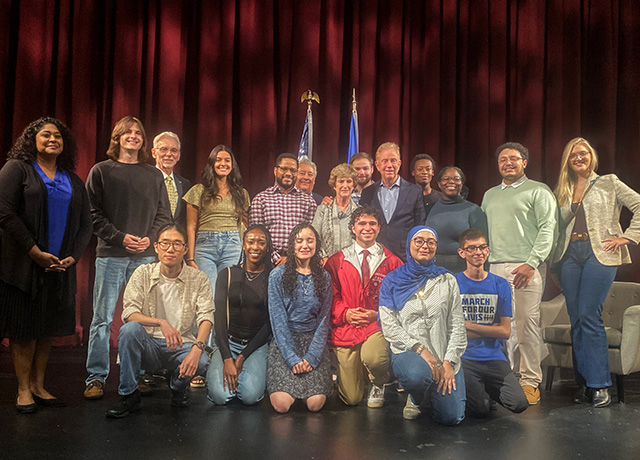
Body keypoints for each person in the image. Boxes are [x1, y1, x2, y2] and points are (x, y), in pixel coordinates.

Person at [0, 118, 92, 413]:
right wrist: (34, 251)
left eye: (58, 136)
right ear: (32, 139)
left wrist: (73, 257)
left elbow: (85, 226)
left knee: (46, 328)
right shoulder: (17, 169)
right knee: (25, 328)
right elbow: (3, 211)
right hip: (23, 265)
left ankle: (39, 385)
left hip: (59, 267)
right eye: (45, 135)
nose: (53, 139)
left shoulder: (73, 179)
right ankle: (23, 389)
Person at [84, 116, 172, 400]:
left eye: (138, 132)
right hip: (111, 254)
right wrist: (120, 237)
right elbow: (92, 214)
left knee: (144, 320)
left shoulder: (154, 175)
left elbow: (164, 215)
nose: (133, 136)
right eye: (127, 132)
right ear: (117, 138)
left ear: (143, 140)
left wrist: (151, 238)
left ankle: (139, 374)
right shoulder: (101, 171)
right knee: (102, 318)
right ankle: (96, 377)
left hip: (146, 257)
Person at [553, 138, 640, 407]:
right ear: (567, 161)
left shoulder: (609, 182)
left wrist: (627, 237)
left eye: (583, 153)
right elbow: (558, 224)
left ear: (592, 157)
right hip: (570, 256)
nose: (579, 158)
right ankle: (584, 384)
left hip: (599, 253)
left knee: (590, 314)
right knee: (577, 318)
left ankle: (600, 384)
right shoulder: (564, 189)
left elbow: (639, 205)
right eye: (573, 155)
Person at [105, 224, 214, 418]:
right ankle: (129, 395)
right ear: (156, 246)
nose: (170, 249)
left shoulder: (199, 279)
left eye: (176, 244)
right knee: (129, 330)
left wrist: (198, 348)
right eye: (165, 243)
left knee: (203, 361)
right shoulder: (143, 273)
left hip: (181, 344)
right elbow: (129, 312)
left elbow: (206, 316)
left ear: (185, 249)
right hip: (149, 343)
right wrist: (161, 322)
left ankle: (178, 388)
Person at [481, 142, 557, 405]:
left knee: (526, 324)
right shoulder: (490, 195)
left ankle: (529, 380)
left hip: (526, 266)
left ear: (525, 162)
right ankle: (505, 378)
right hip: (494, 267)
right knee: (502, 327)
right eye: (503, 159)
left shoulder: (538, 191)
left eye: (514, 158)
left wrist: (532, 262)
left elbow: (548, 229)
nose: (508, 163)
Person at [379, 226, 467, 425]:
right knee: (417, 376)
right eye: (418, 241)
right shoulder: (392, 281)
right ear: (409, 244)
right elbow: (389, 325)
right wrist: (420, 349)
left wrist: (449, 362)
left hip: (443, 354)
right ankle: (417, 396)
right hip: (409, 352)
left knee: (451, 417)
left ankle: (433, 391)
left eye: (431, 242)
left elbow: (457, 324)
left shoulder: (447, 280)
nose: (424, 246)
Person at [325, 205, 403, 407]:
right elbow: (329, 296)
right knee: (351, 399)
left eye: (372, 223)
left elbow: (400, 300)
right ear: (352, 227)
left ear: (379, 228)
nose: (367, 227)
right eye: (361, 223)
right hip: (345, 327)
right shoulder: (337, 261)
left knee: (375, 359)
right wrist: (346, 313)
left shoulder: (393, 262)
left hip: (376, 325)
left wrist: (377, 315)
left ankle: (378, 382)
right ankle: (356, 375)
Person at [455, 228, 528, 418]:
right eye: (471, 248)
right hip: (465, 357)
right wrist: (490, 329)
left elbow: (505, 332)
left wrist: (468, 325)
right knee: (480, 409)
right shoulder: (453, 283)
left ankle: (486, 387)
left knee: (519, 404)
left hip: (494, 356)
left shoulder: (500, 284)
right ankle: (480, 392)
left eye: (482, 247)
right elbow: (453, 331)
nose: (477, 252)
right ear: (462, 253)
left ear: (488, 251)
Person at [267, 223, 333, 413]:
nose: (305, 245)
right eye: (299, 241)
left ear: (316, 244)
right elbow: (277, 320)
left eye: (310, 241)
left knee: (315, 404)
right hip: (285, 343)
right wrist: (291, 358)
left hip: (314, 343)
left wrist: (312, 357)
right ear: (292, 245)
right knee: (281, 406)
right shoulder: (277, 275)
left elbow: (323, 320)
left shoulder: (324, 277)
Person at [206, 224, 274, 405]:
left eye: (261, 242)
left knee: (250, 397)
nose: (255, 247)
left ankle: (247, 374)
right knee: (220, 397)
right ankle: (219, 361)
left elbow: (270, 324)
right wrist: (228, 358)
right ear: (243, 245)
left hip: (256, 346)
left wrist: (243, 356)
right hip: (228, 342)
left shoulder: (273, 277)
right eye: (250, 242)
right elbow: (219, 318)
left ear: (267, 247)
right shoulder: (226, 274)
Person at [359, 142, 425, 262]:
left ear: (399, 164)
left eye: (393, 160)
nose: (389, 165)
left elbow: (419, 226)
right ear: (377, 165)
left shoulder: (414, 192)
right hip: (374, 256)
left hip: (405, 257)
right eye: (385, 161)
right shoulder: (367, 193)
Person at [250, 153, 317, 265]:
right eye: (284, 169)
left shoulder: (308, 203)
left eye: (293, 170)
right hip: (266, 262)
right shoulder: (261, 199)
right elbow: (258, 236)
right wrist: (275, 258)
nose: (288, 173)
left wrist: (292, 258)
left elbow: (310, 237)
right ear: (275, 171)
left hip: (299, 262)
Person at [426, 166, 488, 273]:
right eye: (446, 179)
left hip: (463, 268)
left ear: (462, 183)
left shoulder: (473, 210)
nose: (451, 182)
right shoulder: (429, 209)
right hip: (432, 268)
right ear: (439, 184)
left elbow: (483, 246)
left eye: (456, 178)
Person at [312, 163, 359, 262]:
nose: (345, 185)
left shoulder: (359, 212)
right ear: (334, 185)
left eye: (349, 181)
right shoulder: (322, 210)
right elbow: (314, 237)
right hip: (326, 265)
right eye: (341, 181)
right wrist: (323, 257)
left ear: (353, 185)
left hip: (352, 266)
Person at [151, 131, 191, 227]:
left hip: (176, 240)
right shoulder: (145, 180)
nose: (169, 154)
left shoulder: (185, 184)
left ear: (178, 155)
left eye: (174, 150)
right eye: (164, 149)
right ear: (154, 153)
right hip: (150, 239)